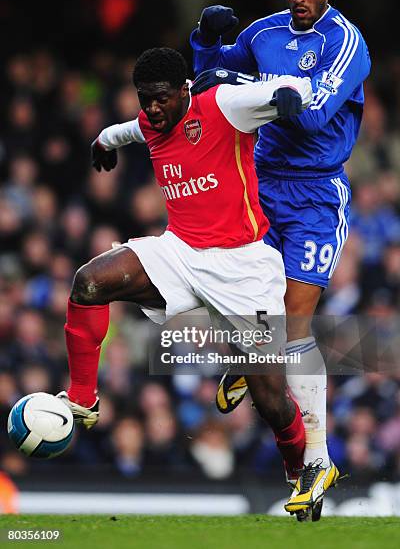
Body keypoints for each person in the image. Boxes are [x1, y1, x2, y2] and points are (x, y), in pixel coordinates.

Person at [57, 47, 314, 513]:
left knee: (271, 400)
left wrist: (290, 95)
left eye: (160, 99)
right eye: (145, 99)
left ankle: (302, 472)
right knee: (88, 283)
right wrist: (102, 143)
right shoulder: (152, 122)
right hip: (180, 251)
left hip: (244, 269)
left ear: (183, 91)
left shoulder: (222, 106)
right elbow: (124, 130)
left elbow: (289, 89)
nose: (152, 109)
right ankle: (82, 399)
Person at [190, 0, 371, 518]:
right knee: (233, 293)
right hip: (260, 185)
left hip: (317, 195)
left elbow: (313, 112)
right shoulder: (264, 33)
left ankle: (319, 459)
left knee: (293, 327)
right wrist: (206, 44)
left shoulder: (348, 43)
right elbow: (211, 89)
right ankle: (250, 358)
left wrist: (266, 92)